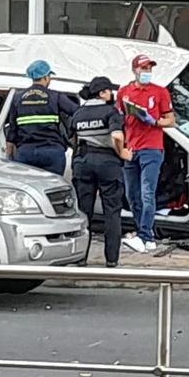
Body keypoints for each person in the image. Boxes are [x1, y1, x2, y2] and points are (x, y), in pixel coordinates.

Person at [117, 54, 176, 253]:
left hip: (152, 148)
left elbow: (171, 120)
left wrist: (155, 121)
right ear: (135, 70)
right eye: (144, 69)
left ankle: (143, 235)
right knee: (132, 195)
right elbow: (119, 118)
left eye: (149, 69)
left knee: (147, 192)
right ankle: (146, 233)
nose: (147, 73)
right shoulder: (124, 92)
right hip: (132, 148)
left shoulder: (160, 92)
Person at [70, 76, 130, 268]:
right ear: (102, 93)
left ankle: (80, 257)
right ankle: (111, 259)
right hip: (107, 163)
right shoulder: (110, 111)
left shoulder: (78, 113)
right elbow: (116, 135)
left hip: (83, 162)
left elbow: (72, 139)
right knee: (112, 212)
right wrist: (123, 152)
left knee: (83, 212)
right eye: (109, 91)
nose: (112, 94)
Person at [5, 60, 78, 175]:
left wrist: (9, 156)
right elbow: (78, 113)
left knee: (28, 188)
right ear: (45, 77)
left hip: (26, 153)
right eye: (49, 76)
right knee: (52, 189)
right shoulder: (55, 97)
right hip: (52, 152)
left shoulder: (18, 98)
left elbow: (12, 131)